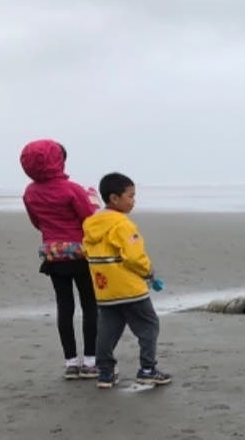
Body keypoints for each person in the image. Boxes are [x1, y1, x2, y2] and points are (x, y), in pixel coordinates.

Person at [82, 172, 172, 389]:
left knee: (107, 329)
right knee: (149, 325)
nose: (134, 201)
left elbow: (85, 251)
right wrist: (148, 272)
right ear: (115, 198)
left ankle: (105, 372)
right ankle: (148, 370)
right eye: (130, 196)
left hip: (104, 288)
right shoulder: (123, 224)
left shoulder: (91, 224)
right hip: (129, 288)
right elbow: (133, 256)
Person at [20, 139, 100, 380]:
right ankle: (90, 361)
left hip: (53, 255)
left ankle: (70, 362)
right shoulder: (72, 189)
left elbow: (37, 223)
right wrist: (93, 201)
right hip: (80, 254)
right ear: (58, 160)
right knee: (89, 305)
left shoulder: (30, 192)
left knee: (64, 307)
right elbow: (88, 219)